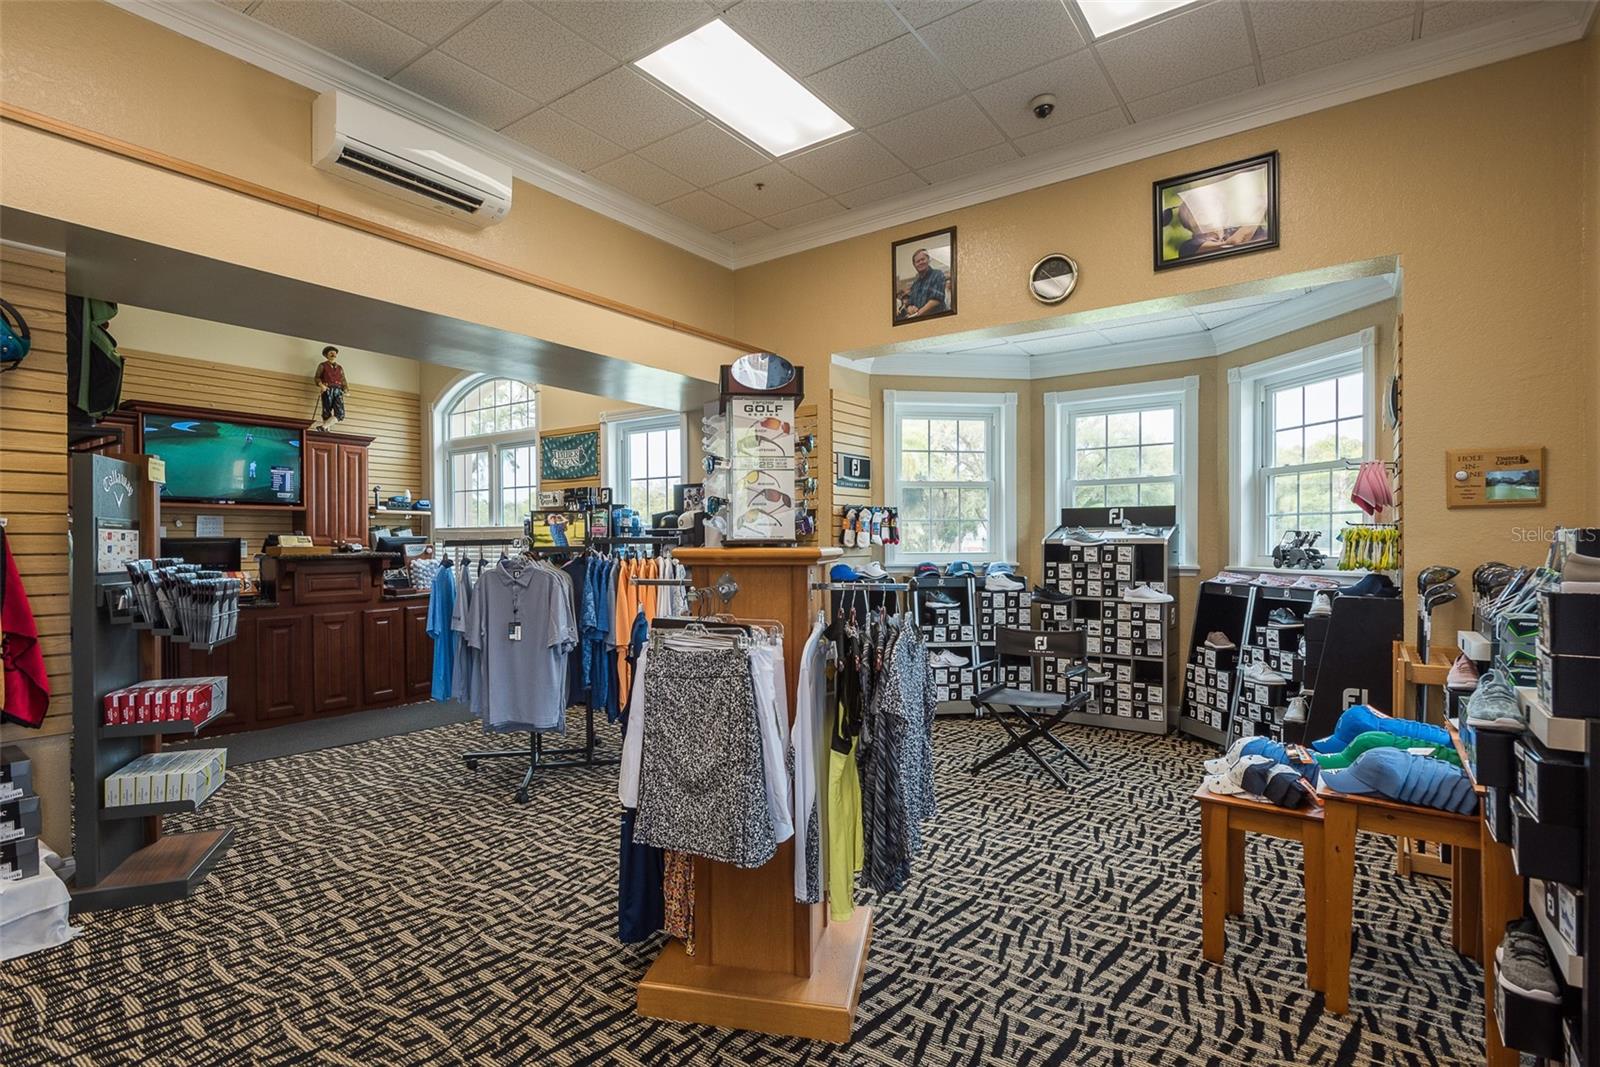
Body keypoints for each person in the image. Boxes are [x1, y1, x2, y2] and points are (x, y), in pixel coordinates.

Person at [896, 248, 947, 321]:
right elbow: (910, 302)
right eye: (917, 261)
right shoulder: (915, 284)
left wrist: (919, 313)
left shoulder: (938, 274)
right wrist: (910, 308)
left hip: (937, 320)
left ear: (928, 260)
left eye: (923, 259)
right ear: (914, 265)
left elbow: (936, 299)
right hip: (920, 322)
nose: (920, 262)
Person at [313, 345, 346, 430]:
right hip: (327, 389)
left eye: (334, 353)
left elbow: (343, 380)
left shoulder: (340, 368)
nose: (333, 354)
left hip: (338, 390)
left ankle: (323, 427)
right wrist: (321, 385)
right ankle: (326, 430)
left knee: (340, 413)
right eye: (331, 352)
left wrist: (345, 389)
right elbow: (317, 377)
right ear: (326, 355)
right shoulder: (322, 365)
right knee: (326, 411)